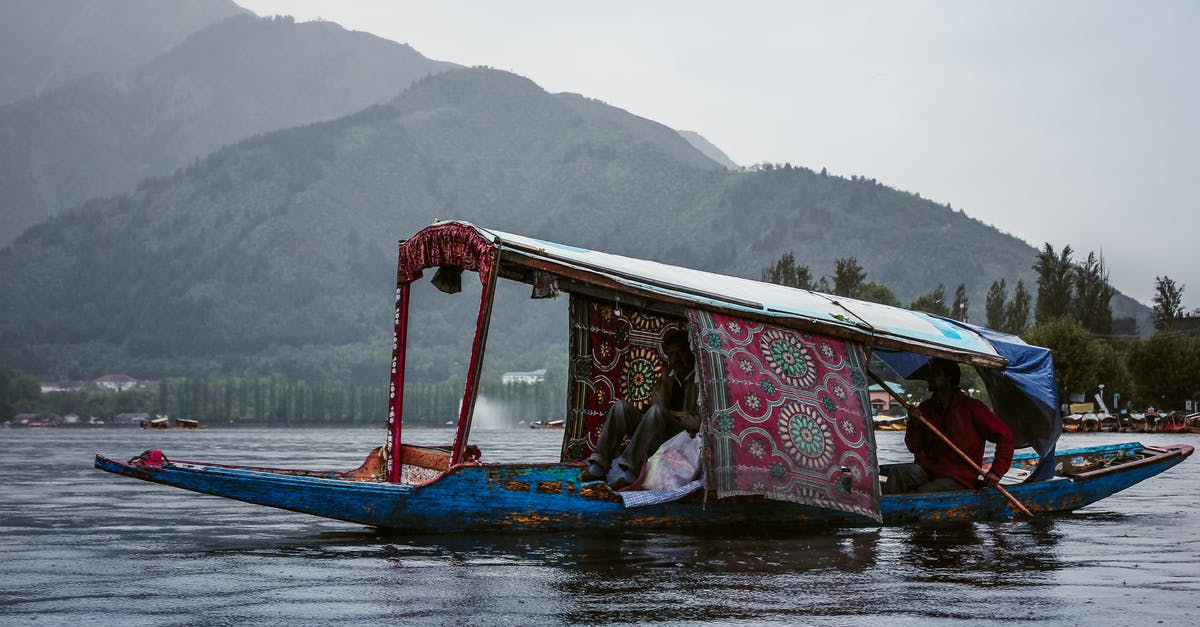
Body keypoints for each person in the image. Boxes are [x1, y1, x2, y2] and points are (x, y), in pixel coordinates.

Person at [584, 330, 700, 488]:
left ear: (690, 352)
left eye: (680, 352)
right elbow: (656, 406)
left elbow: (695, 421)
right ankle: (598, 466)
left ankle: (632, 473)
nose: (675, 359)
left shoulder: (701, 380)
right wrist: (675, 412)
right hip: (656, 429)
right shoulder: (667, 376)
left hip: (682, 437)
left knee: (656, 413)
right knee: (620, 407)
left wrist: (670, 414)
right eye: (671, 354)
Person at [882, 357, 1014, 494]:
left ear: (949, 378)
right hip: (927, 471)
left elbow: (1005, 437)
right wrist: (914, 422)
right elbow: (913, 446)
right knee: (898, 473)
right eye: (930, 373)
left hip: (958, 477)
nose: (930, 377)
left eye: (936, 373)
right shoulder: (925, 409)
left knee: (924, 492)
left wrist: (996, 472)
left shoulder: (972, 408)